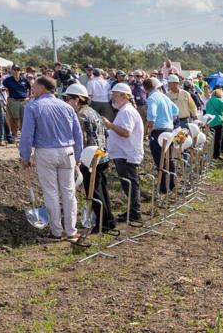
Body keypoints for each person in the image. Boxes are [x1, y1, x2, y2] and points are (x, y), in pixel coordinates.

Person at [18, 76, 83, 242]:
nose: (32, 89)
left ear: (43, 88)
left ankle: (56, 231)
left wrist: (25, 156)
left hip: (46, 152)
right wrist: (78, 155)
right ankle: (71, 230)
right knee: (69, 192)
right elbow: (78, 134)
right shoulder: (67, 107)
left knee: (51, 192)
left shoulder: (33, 107)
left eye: (34, 86)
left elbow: (26, 135)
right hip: (67, 151)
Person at [63, 83, 116, 234]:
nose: (66, 102)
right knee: (102, 189)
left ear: (77, 99)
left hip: (90, 158)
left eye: (68, 99)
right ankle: (108, 221)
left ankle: (102, 224)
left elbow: (81, 138)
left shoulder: (81, 115)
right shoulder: (93, 112)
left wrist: (78, 158)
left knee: (93, 191)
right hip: (101, 155)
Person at [104, 82, 144, 224]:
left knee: (130, 184)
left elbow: (126, 132)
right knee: (129, 184)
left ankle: (135, 212)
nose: (113, 98)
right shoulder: (125, 110)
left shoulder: (126, 111)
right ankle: (133, 210)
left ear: (124, 96)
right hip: (124, 152)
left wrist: (109, 125)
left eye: (116, 95)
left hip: (126, 153)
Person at [144, 77, 179, 193]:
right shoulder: (164, 96)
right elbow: (176, 110)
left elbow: (152, 115)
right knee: (169, 158)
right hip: (169, 130)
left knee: (159, 159)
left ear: (145, 89)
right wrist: (168, 118)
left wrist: (149, 127)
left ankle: (163, 186)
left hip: (159, 131)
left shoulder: (151, 98)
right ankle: (171, 184)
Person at [4, 65, 29, 141]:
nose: (16, 71)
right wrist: (8, 97)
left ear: (20, 71)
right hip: (14, 101)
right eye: (14, 69)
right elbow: (3, 88)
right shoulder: (7, 80)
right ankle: (14, 135)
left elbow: (30, 88)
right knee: (14, 119)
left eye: (17, 69)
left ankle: (23, 135)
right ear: (11, 70)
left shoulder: (24, 79)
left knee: (24, 119)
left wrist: (28, 97)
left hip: (23, 101)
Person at [204, 88, 223, 160]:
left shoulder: (208, 102)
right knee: (218, 139)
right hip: (218, 121)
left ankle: (210, 154)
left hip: (210, 122)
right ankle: (217, 155)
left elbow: (206, 111)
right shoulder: (219, 100)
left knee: (211, 139)